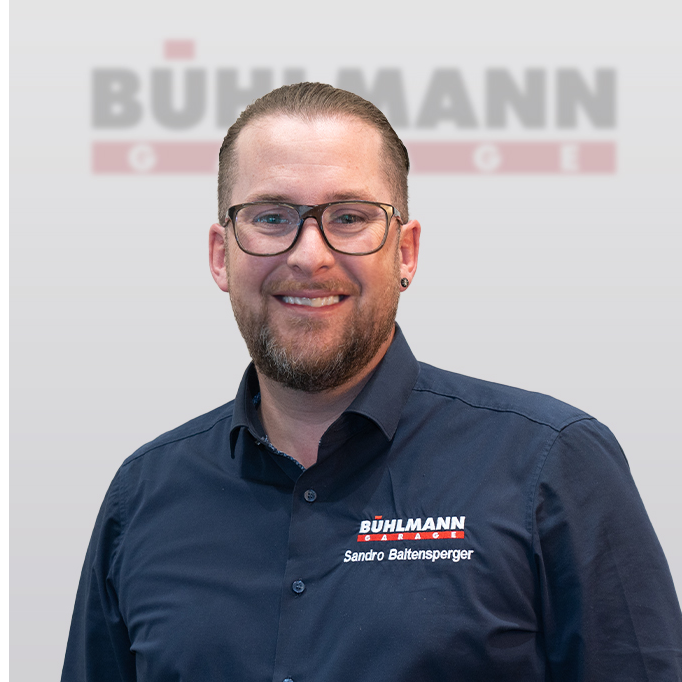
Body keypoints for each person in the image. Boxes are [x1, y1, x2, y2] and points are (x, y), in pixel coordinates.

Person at [62, 82, 682, 681]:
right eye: (271, 217)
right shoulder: (141, 496)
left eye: (350, 217)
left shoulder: (550, 464)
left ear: (405, 252)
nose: (309, 255)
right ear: (222, 255)